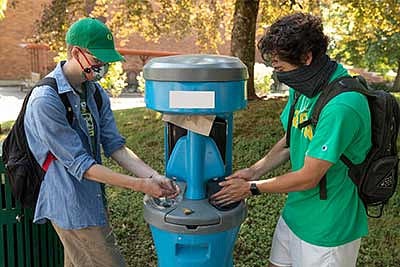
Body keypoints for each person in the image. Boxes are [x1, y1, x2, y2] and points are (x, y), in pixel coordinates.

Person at [211, 12, 371, 267]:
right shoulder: (304, 88)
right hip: (296, 212)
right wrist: (253, 171)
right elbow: (290, 139)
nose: (278, 74)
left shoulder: (342, 105)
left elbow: (309, 176)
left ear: (307, 58)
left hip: (328, 227)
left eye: (280, 67)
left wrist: (251, 188)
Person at [24, 17, 178, 267]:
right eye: (97, 60)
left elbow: (114, 145)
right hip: (71, 205)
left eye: (105, 61)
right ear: (76, 53)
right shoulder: (45, 101)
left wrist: (153, 177)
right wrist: (140, 185)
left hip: (92, 198)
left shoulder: (95, 93)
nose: (102, 67)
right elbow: (81, 165)